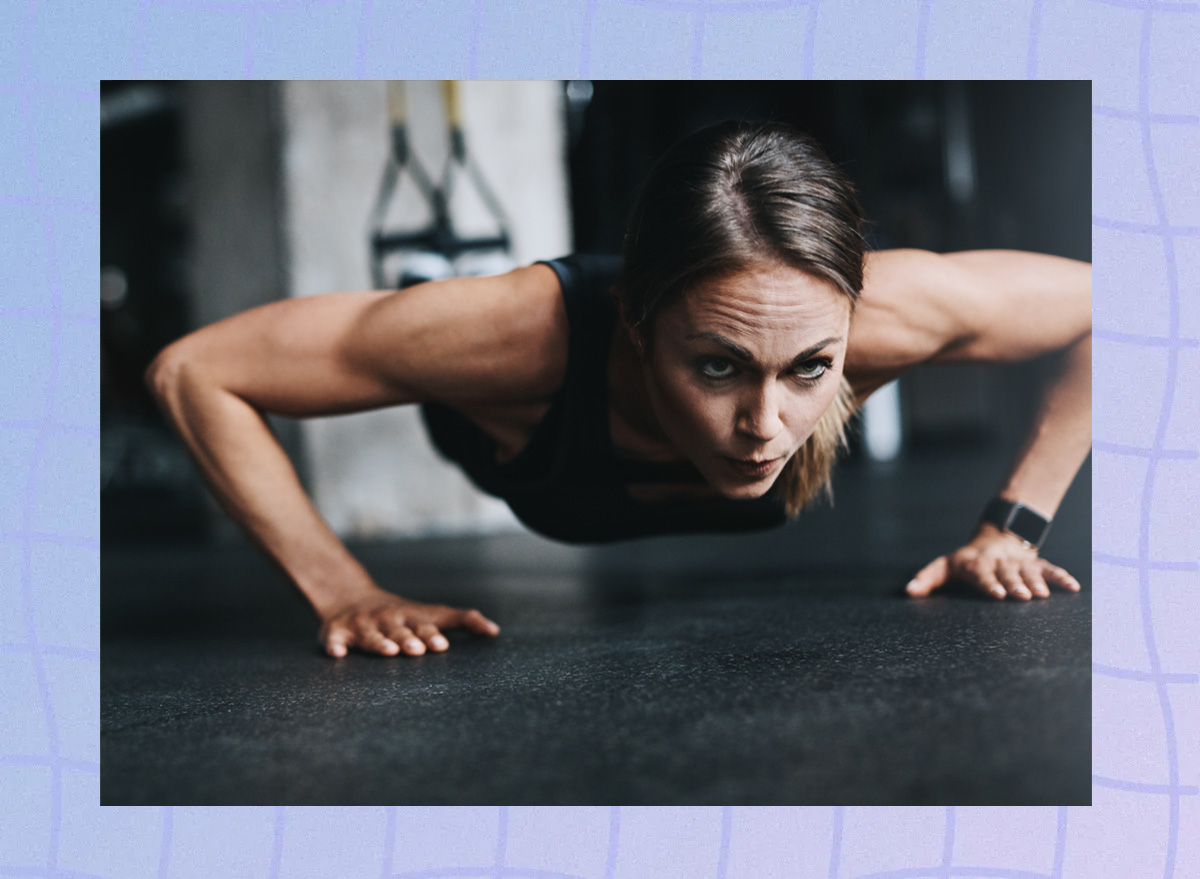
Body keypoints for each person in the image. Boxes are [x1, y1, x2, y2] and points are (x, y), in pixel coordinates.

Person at [146, 121, 1091, 660]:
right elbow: (196, 370)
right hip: (499, 430)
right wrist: (341, 590)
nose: (766, 429)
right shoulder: (510, 336)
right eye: (717, 366)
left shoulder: (892, 313)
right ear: (638, 330)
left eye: (810, 368)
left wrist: (1016, 521)